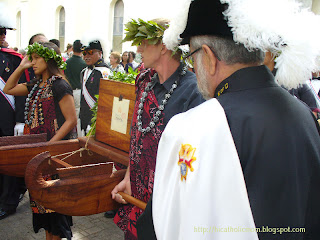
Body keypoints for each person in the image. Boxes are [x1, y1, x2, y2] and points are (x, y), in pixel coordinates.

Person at [137, 0, 320, 240]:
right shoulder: (304, 114)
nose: (193, 66)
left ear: (209, 57)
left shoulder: (191, 128)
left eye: (192, 56)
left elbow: (162, 224)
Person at [111, 18, 205, 239]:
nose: (138, 49)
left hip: (168, 205)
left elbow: (191, 160)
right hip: (136, 198)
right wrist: (128, 177)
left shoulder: (194, 91)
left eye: (143, 42)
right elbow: (137, 137)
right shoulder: (144, 80)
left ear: (163, 46)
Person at [3, 41, 77, 240]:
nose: (32, 62)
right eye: (31, 58)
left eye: (36, 58)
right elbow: (8, 89)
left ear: (49, 59)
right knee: (43, 210)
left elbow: (71, 120)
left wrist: (50, 145)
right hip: (40, 155)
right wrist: (21, 66)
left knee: (55, 212)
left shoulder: (59, 84)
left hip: (53, 156)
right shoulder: (37, 85)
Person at [0, 19, 29, 220]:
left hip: (7, 118)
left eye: (3, 33)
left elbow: (22, 90)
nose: (3, 37)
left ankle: (8, 202)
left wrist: (20, 119)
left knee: (8, 162)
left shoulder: (12, 59)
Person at [80, 40, 111, 135]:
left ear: (100, 53)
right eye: (84, 53)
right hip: (85, 119)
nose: (86, 56)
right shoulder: (84, 71)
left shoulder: (104, 72)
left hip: (96, 120)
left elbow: (106, 99)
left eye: (90, 52)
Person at [65, 40, 87, 135]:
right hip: (79, 91)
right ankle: (77, 135)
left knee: (68, 114)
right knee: (77, 114)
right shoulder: (83, 63)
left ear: (73, 49)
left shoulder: (68, 62)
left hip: (68, 90)